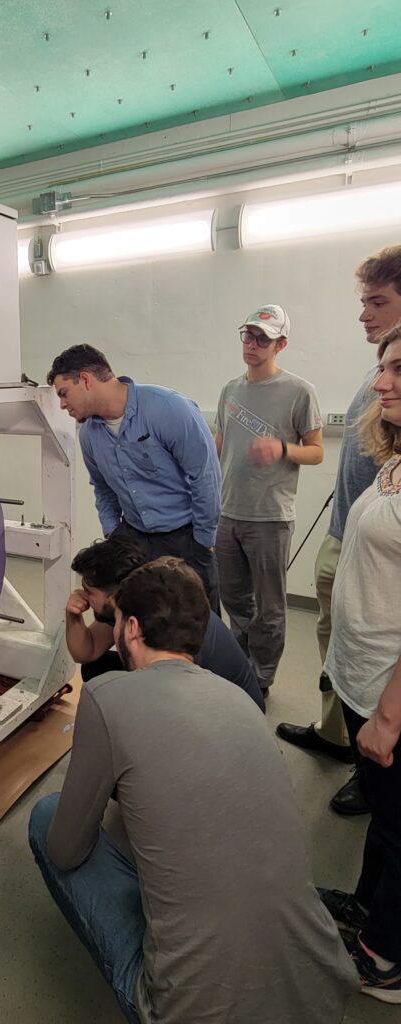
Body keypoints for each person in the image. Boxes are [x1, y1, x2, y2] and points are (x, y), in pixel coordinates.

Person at [29, 559, 356, 1024]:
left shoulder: (107, 697)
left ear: (133, 629)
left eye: (116, 618)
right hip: (320, 990)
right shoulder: (241, 703)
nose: (113, 626)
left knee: (48, 816)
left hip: (191, 1010)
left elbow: (65, 851)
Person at [278, 246, 401, 815]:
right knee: (336, 645)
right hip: (345, 535)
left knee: (374, 655)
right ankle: (337, 735)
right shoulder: (380, 366)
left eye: (377, 301)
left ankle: (371, 758)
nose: (363, 314)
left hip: (379, 549)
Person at [317, 325, 401, 1003]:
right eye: (383, 367)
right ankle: (367, 909)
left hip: (389, 693)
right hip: (360, 672)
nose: (380, 382)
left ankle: (385, 962)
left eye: (399, 368)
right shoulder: (394, 456)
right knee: (383, 813)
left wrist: (390, 718)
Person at [47, 344, 221, 611]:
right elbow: (102, 489)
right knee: (138, 621)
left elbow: (205, 477)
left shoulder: (169, 409)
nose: (62, 404)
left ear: (85, 379)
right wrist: (114, 534)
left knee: (197, 625)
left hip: (186, 540)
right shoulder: (90, 435)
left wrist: (203, 542)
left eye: (64, 393)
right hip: (133, 537)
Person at [214, 305, 323, 698]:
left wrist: (281, 448)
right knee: (234, 600)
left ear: (281, 344)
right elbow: (220, 447)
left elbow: (316, 452)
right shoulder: (230, 390)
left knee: (270, 606)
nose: (252, 344)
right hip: (228, 513)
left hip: (270, 517)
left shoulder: (298, 391)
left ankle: (262, 677)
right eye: (248, 335)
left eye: (263, 338)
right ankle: (240, 664)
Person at [66, 536, 264, 710]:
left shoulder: (165, 621)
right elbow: (86, 652)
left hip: (231, 709)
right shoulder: (135, 602)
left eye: (89, 592)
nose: (83, 597)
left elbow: (171, 694)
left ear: (113, 596)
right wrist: (73, 615)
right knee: (96, 669)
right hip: (198, 688)